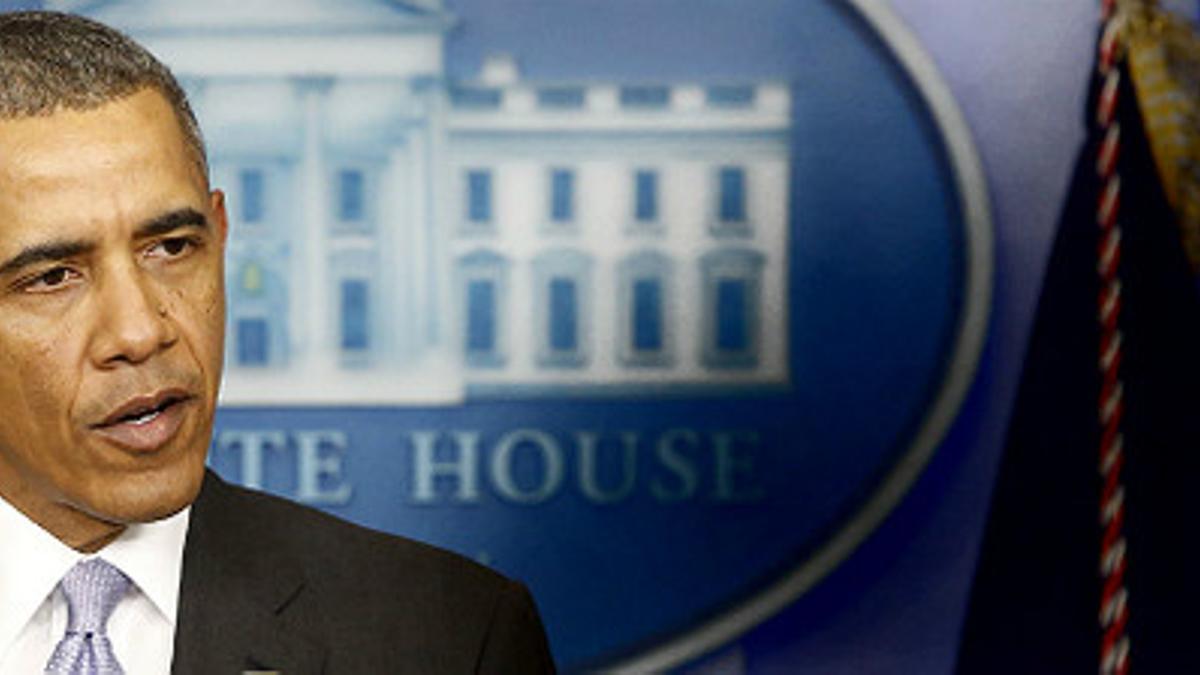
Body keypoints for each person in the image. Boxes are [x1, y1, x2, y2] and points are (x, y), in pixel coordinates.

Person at [0, 10, 555, 674]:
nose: (142, 330)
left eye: (172, 247)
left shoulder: (452, 638)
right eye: (53, 277)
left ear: (221, 234)